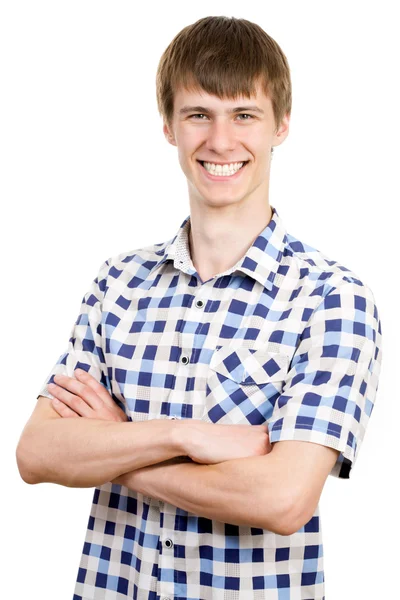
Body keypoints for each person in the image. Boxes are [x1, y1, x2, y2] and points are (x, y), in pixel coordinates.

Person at [16, 15, 382, 600]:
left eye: (243, 114)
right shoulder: (118, 283)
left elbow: (284, 498)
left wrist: (119, 447)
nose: (220, 140)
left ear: (280, 125)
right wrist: (186, 435)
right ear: (169, 126)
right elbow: (37, 453)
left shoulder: (330, 298)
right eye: (198, 115)